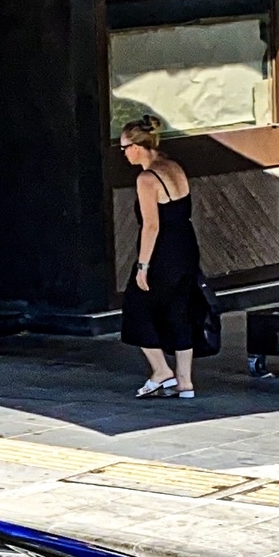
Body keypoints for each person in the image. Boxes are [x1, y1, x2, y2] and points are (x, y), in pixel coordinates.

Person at [118, 117, 206, 399]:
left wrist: (143, 266)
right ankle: (185, 382)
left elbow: (152, 226)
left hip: (163, 251)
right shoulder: (174, 167)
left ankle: (160, 371)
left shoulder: (146, 178)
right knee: (179, 309)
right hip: (186, 246)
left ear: (138, 146)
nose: (123, 153)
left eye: (125, 147)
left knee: (137, 305)